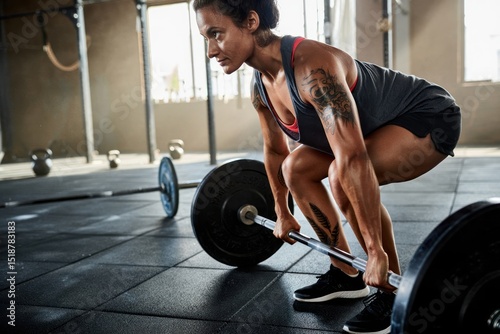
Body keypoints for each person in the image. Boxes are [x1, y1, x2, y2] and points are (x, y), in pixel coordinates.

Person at [193, 1, 461, 333]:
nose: (210, 50)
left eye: (216, 34)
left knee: (340, 175)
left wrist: (375, 252)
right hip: (373, 127)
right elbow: (276, 152)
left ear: (250, 21)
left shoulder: (311, 67)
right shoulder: (261, 87)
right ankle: (345, 274)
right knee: (296, 169)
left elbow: (352, 159)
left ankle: (391, 290)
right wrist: (281, 211)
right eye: (206, 38)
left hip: (428, 116)